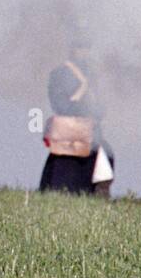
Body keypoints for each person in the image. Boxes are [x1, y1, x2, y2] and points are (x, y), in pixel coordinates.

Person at [39, 33, 114, 195]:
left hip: (91, 133)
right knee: (61, 180)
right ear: (72, 50)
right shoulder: (59, 74)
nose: (84, 52)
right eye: (80, 47)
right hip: (69, 134)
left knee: (106, 156)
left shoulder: (93, 75)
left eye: (87, 48)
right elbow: (60, 105)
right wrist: (80, 92)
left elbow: (101, 107)